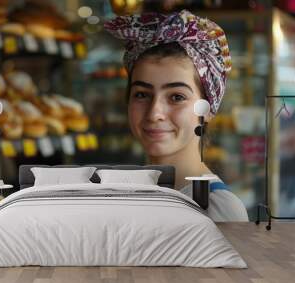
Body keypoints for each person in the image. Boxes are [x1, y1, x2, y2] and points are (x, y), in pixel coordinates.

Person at [105, 10, 248, 221]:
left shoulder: (217, 210)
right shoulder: (128, 194)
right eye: (142, 94)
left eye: (177, 97)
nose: (155, 113)